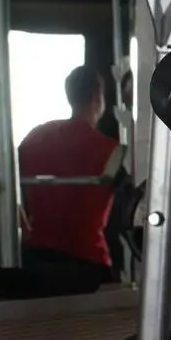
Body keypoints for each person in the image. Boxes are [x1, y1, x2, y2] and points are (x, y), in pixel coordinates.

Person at [18, 65, 124, 293]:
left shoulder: (34, 138)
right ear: (98, 97)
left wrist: (26, 230)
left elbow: (9, 193)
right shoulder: (110, 150)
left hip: (36, 263)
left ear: (69, 96)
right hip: (89, 264)